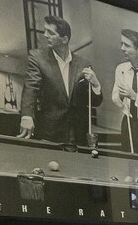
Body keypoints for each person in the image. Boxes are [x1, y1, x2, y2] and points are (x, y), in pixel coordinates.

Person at [18, 16, 102, 145]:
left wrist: (96, 85)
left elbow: (94, 102)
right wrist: (27, 115)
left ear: (65, 39)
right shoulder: (37, 58)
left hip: (78, 134)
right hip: (49, 132)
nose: (45, 35)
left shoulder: (84, 64)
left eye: (51, 33)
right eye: (45, 30)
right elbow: (31, 87)